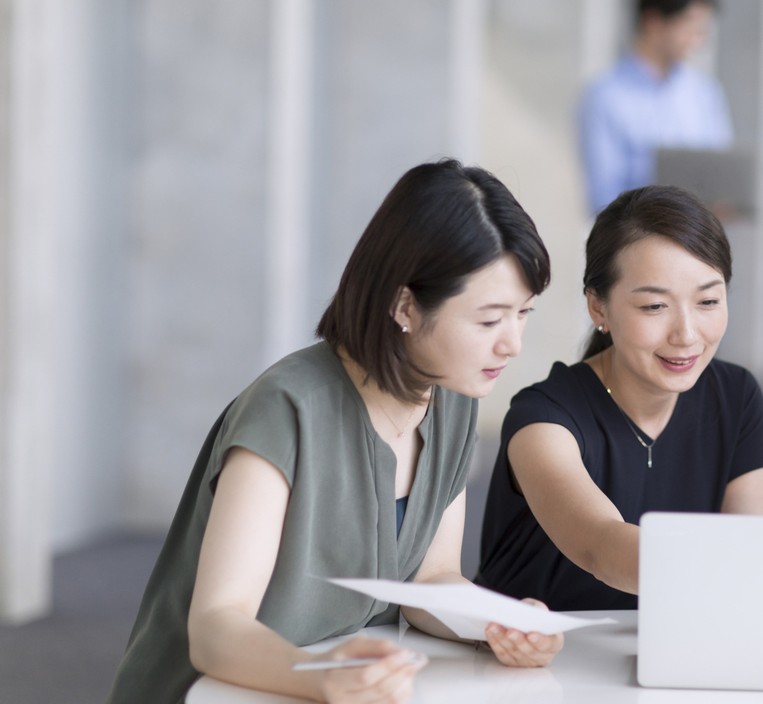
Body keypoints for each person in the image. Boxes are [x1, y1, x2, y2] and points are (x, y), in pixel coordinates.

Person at [108, 161, 563, 704]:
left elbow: (429, 581)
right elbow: (215, 627)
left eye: (524, 314)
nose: (512, 343)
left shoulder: (454, 401)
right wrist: (322, 675)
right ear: (405, 307)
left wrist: (498, 622)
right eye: (489, 320)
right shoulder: (287, 409)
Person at [476, 185, 763, 610]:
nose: (687, 335)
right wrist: (735, 570)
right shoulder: (543, 419)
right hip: (522, 663)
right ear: (598, 307)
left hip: (665, 652)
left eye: (708, 301)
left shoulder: (735, 396)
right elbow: (600, 546)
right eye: (655, 307)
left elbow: (759, 547)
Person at [578, 0, 733, 214]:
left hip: (702, 239)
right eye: (690, 27)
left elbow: (723, 173)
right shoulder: (604, 96)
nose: (698, 40)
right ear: (653, 22)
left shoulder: (705, 93)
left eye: (701, 31)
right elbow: (602, 198)